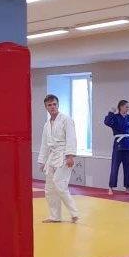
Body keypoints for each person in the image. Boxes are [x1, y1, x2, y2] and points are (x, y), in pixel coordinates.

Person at [38, 94, 79, 223]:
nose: (52, 107)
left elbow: (71, 138)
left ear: (58, 105)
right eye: (49, 105)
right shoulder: (46, 125)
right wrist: (43, 161)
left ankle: (74, 213)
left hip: (64, 155)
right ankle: (55, 216)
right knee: (49, 189)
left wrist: (70, 156)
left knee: (59, 183)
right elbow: (45, 144)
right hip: (52, 157)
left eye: (54, 104)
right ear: (46, 107)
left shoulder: (66, 120)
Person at [104, 100, 129, 194]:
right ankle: (111, 187)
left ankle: (127, 187)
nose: (128, 108)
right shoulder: (115, 117)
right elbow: (107, 122)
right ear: (121, 107)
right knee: (115, 167)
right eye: (126, 107)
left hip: (128, 145)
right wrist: (110, 113)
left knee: (128, 168)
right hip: (118, 145)